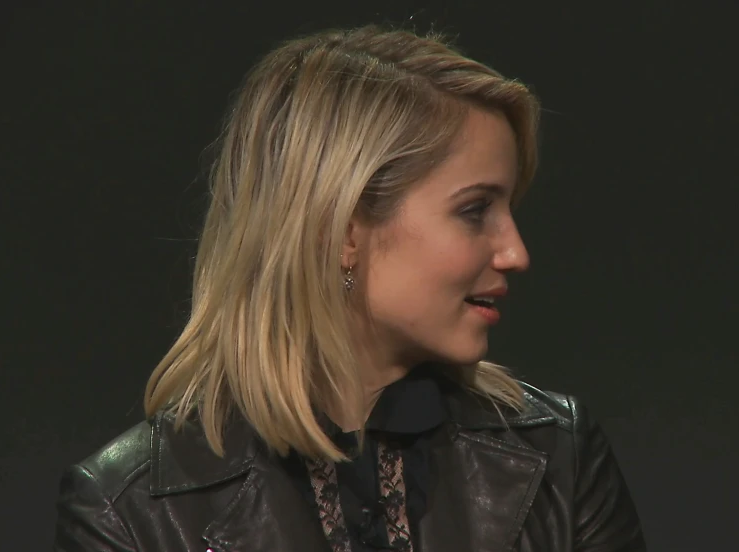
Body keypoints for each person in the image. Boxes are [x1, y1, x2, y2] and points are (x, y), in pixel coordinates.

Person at [53, 24, 646, 552]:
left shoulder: (560, 460)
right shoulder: (128, 514)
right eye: (474, 210)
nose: (515, 252)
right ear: (343, 230)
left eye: (509, 209)